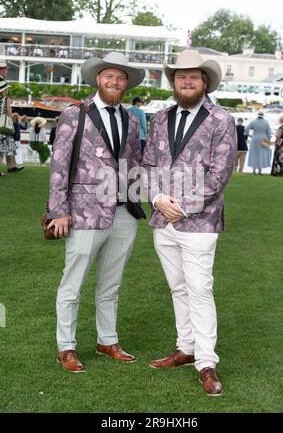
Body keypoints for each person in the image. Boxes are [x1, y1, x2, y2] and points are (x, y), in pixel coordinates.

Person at [142, 50, 236, 396]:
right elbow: (148, 165)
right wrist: (156, 200)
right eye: (180, 77)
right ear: (173, 82)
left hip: (200, 222)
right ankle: (186, 347)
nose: (186, 81)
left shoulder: (221, 120)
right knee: (178, 288)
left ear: (205, 82)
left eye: (193, 77)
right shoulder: (160, 118)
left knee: (199, 289)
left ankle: (207, 362)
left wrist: (184, 206)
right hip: (162, 220)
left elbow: (220, 172)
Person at [47, 52, 145, 373]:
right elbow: (60, 166)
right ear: (98, 79)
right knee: (72, 283)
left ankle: (107, 340)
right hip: (84, 213)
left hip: (123, 213)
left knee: (111, 284)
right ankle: (67, 347)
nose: (114, 82)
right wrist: (58, 211)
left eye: (120, 78)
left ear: (126, 83)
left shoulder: (131, 119)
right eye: (109, 76)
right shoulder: (74, 115)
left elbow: (133, 163)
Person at [0, 61, 24, 173]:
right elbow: (6, 102)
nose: (7, 71)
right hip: (2, 119)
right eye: (5, 69)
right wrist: (10, 116)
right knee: (4, 142)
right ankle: (10, 166)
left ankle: (11, 165)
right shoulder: (2, 83)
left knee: (8, 142)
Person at [244, 110, 272, 175]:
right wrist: (269, 139)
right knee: (261, 155)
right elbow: (269, 133)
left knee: (254, 154)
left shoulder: (253, 121)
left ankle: (254, 170)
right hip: (263, 138)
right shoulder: (266, 122)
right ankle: (260, 171)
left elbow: (246, 129)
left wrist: (249, 135)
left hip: (254, 138)